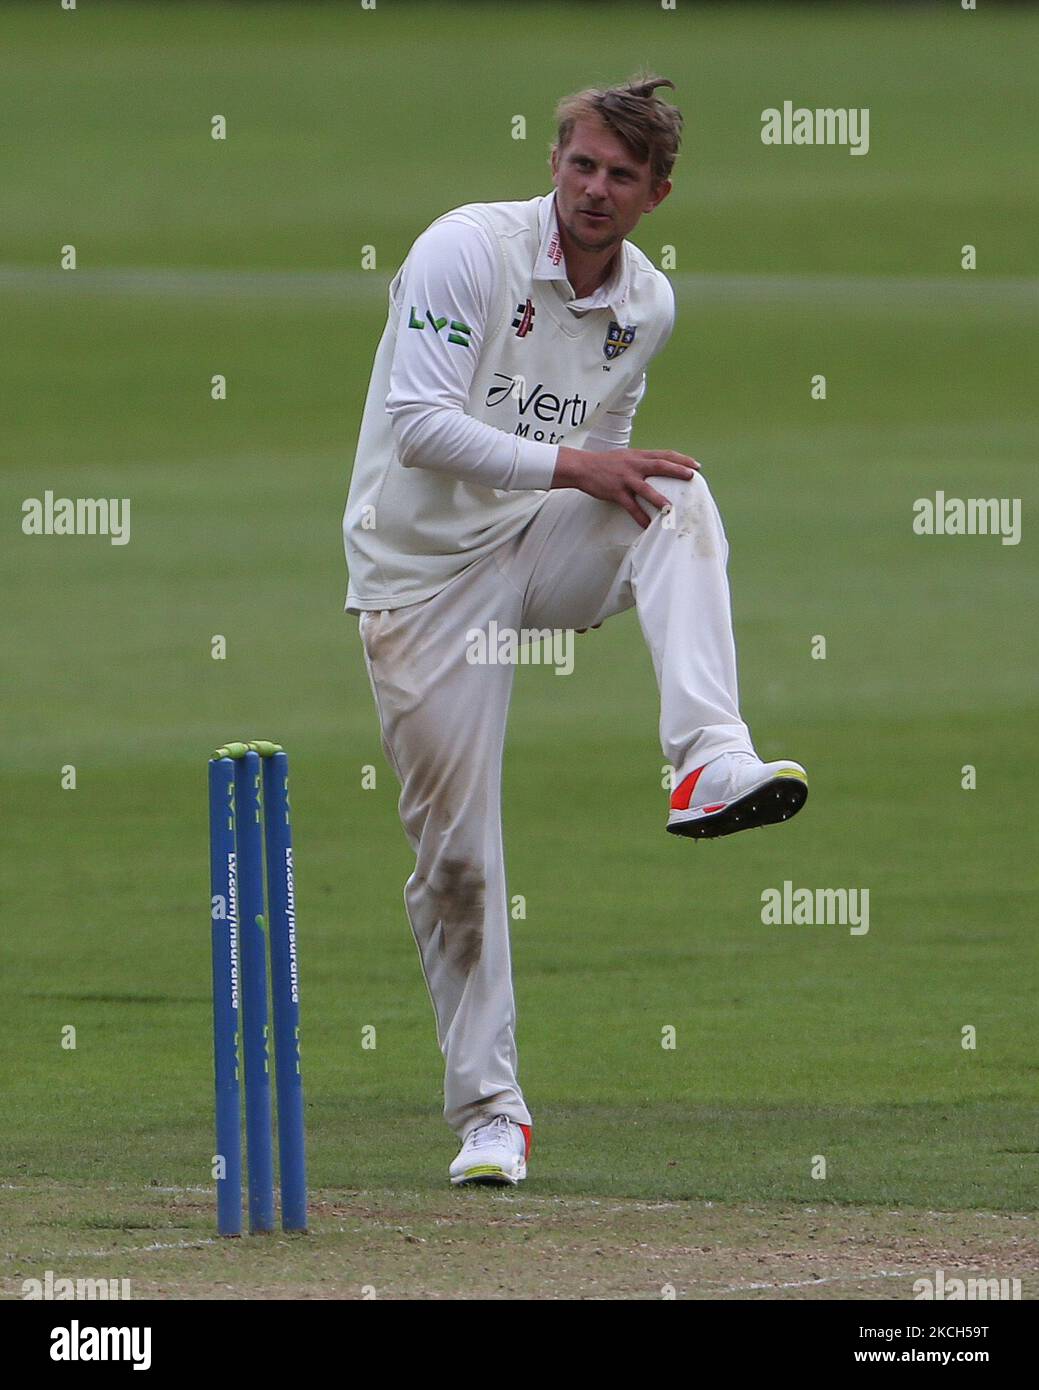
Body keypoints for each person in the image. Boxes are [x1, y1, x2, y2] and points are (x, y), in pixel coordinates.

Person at [343, 74, 807, 1187]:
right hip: (417, 576)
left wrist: (606, 562)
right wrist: (575, 471)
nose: (593, 189)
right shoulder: (468, 248)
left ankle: (708, 760)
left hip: (535, 540)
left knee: (678, 495)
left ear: (657, 192)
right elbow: (416, 425)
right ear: (554, 160)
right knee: (456, 856)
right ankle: (491, 1115)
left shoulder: (646, 303)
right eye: (581, 163)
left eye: (621, 175)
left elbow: (617, 458)